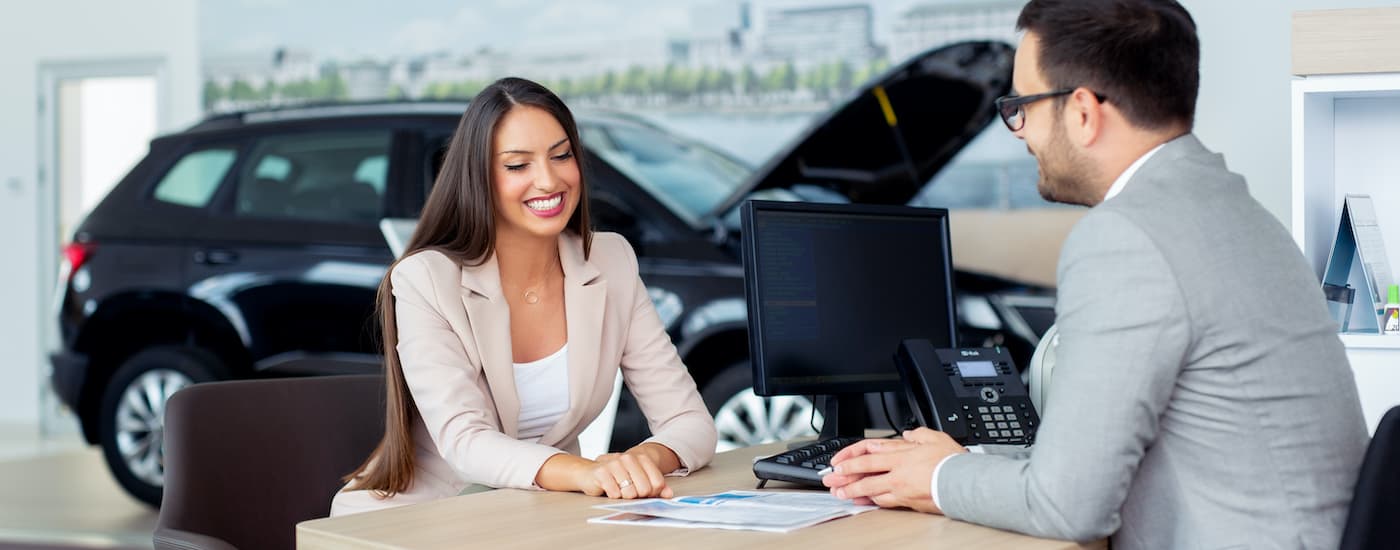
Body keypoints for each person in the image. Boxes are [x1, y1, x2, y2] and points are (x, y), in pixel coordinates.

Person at [822, 1, 1368, 547]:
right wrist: (969, 464)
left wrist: (939, 477)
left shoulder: (1127, 235)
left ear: (1082, 111)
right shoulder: (1236, 213)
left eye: (1021, 107)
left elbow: (1067, 507)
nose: (1018, 132)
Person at [331, 77, 717, 516]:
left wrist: (641, 461)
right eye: (517, 165)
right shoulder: (425, 279)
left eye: (561, 155)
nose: (549, 180)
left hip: (540, 515)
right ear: (479, 177)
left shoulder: (611, 260)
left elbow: (690, 421)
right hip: (421, 516)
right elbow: (467, 443)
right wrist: (585, 473)